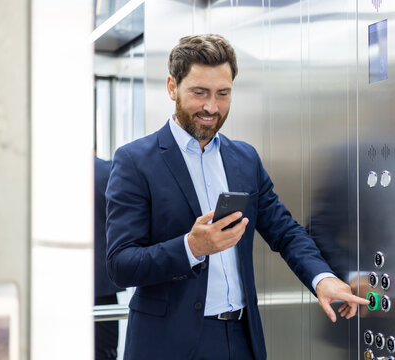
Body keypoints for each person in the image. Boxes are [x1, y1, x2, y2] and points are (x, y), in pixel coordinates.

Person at [105, 34, 369, 360]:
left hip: (240, 339)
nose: (211, 107)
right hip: (167, 343)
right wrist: (191, 247)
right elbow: (120, 264)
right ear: (172, 87)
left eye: (223, 94)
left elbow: (286, 233)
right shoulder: (135, 161)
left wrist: (323, 279)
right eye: (199, 93)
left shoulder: (244, 159)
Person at [94, 156, 122, 360]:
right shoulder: (107, 171)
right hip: (101, 286)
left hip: (53, 281)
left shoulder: (40, 173)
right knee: (104, 353)